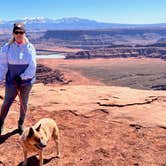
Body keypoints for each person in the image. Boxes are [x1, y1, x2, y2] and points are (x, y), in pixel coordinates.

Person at [0, 22, 36, 135]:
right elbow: (3, 66)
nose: (19, 34)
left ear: (24, 33)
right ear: (13, 34)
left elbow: (32, 66)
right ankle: (0, 124)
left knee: (24, 103)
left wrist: (22, 77)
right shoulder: (7, 48)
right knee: (7, 102)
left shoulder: (30, 48)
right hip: (11, 82)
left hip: (26, 82)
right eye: (17, 32)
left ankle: (20, 124)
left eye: (21, 32)